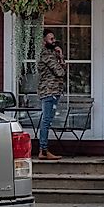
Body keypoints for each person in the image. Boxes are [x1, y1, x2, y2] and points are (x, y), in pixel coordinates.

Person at [36, 29, 65, 160]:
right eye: (51, 39)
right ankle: (43, 150)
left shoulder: (52, 53)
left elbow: (62, 69)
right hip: (49, 90)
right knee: (46, 120)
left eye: (54, 38)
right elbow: (60, 72)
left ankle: (44, 149)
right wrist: (60, 58)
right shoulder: (46, 55)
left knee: (48, 120)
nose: (54, 41)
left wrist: (60, 56)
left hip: (54, 90)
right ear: (44, 41)